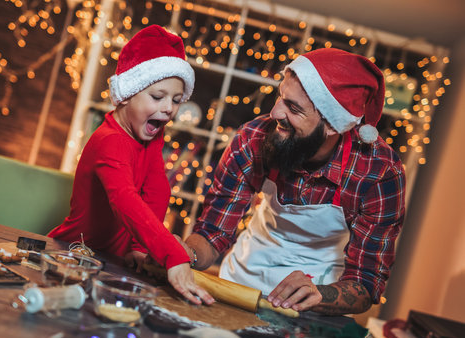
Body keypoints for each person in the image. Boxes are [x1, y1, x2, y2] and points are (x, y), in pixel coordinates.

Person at [182, 48, 406, 315]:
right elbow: (213, 233)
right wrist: (185, 254)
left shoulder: (378, 172)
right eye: (281, 96)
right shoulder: (253, 139)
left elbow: (366, 283)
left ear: (333, 125)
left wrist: (318, 295)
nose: (275, 112)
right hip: (241, 283)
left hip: (317, 301)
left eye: (294, 108)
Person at [49, 25, 213, 306]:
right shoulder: (110, 140)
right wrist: (173, 255)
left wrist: (139, 248)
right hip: (73, 254)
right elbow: (125, 200)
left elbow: (158, 190)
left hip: (111, 262)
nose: (168, 109)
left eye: (176, 100)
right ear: (127, 94)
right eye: (157, 96)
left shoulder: (150, 139)